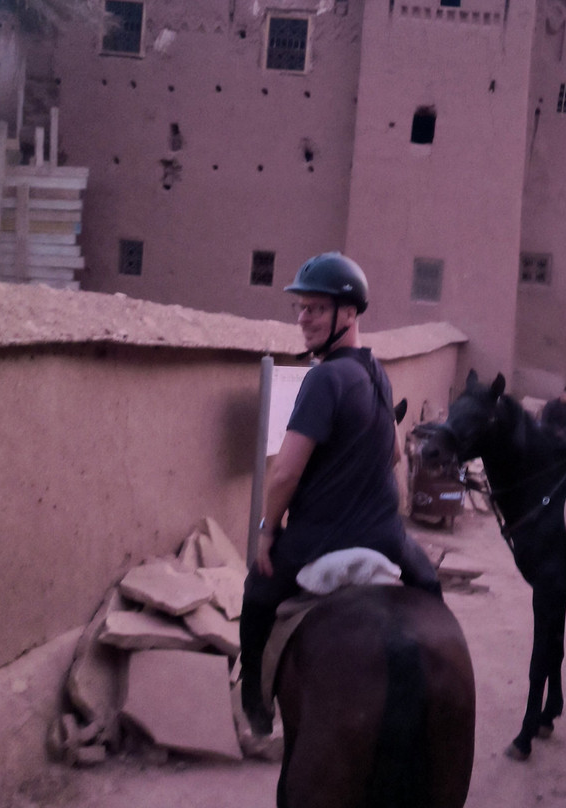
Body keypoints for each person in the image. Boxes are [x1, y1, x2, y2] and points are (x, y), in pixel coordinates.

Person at [239, 252, 442, 734]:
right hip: (387, 539)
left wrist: (268, 532)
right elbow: (393, 452)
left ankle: (254, 701)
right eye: (301, 308)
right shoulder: (376, 371)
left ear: (349, 313)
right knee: (430, 590)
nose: (304, 319)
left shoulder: (323, 378)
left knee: (257, 593)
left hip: (320, 540)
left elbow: (285, 474)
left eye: (316, 308)